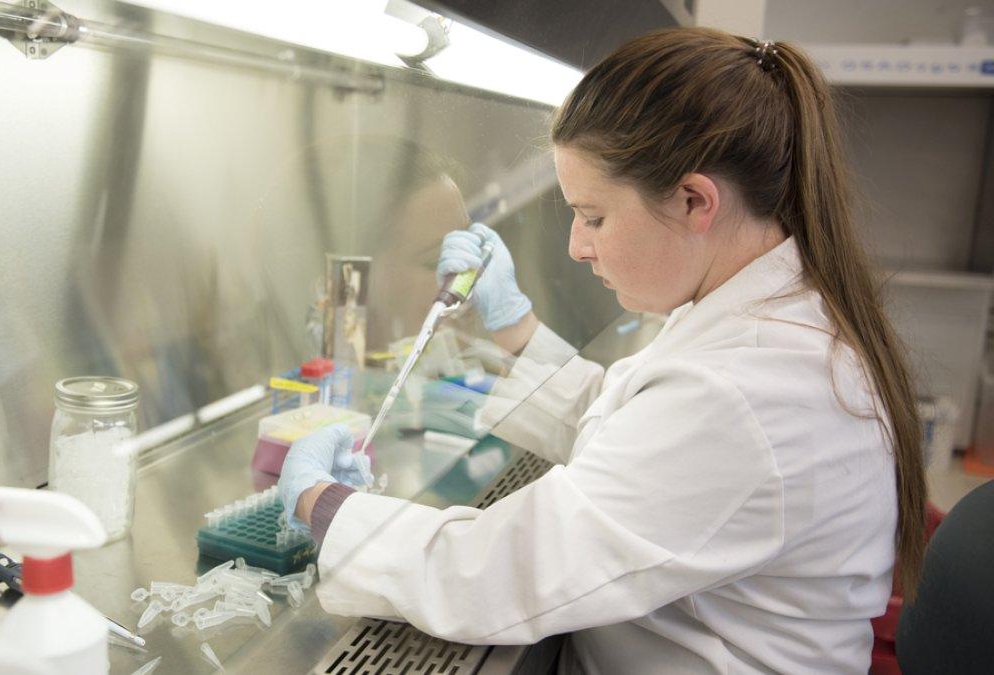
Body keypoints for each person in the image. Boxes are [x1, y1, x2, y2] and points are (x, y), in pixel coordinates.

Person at [278, 27, 926, 673]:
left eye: (593, 216)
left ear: (696, 200)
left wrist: (322, 503)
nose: (576, 247)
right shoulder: (759, 314)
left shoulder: (749, 391)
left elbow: (502, 575)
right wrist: (514, 325)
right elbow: (635, 435)